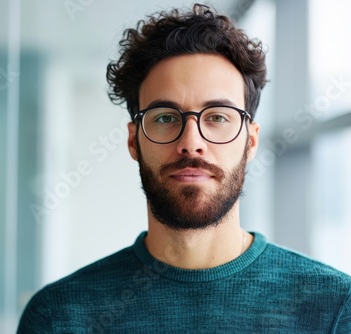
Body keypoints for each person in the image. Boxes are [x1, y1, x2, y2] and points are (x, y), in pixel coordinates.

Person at [17, 4, 351, 333]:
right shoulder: (59, 316)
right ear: (134, 142)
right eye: (165, 117)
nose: (191, 143)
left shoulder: (335, 308)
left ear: (250, 142)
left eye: (217, 117)